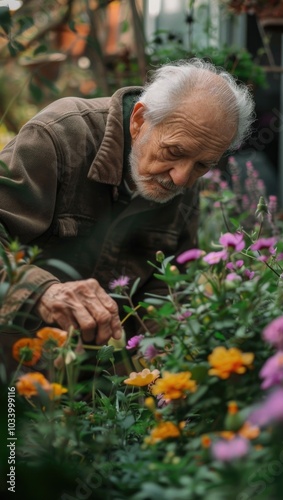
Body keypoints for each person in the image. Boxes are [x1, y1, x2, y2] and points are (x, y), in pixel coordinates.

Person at [0, 58, 254, 371]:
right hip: (13, 370)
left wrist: (167, 362)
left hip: (99, 387)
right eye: (174, 152)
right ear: (138, 120)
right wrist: (42, 291)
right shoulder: (59, 137)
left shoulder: (185, 178)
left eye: (203, 165)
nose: (181, 179)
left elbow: (169, 288)